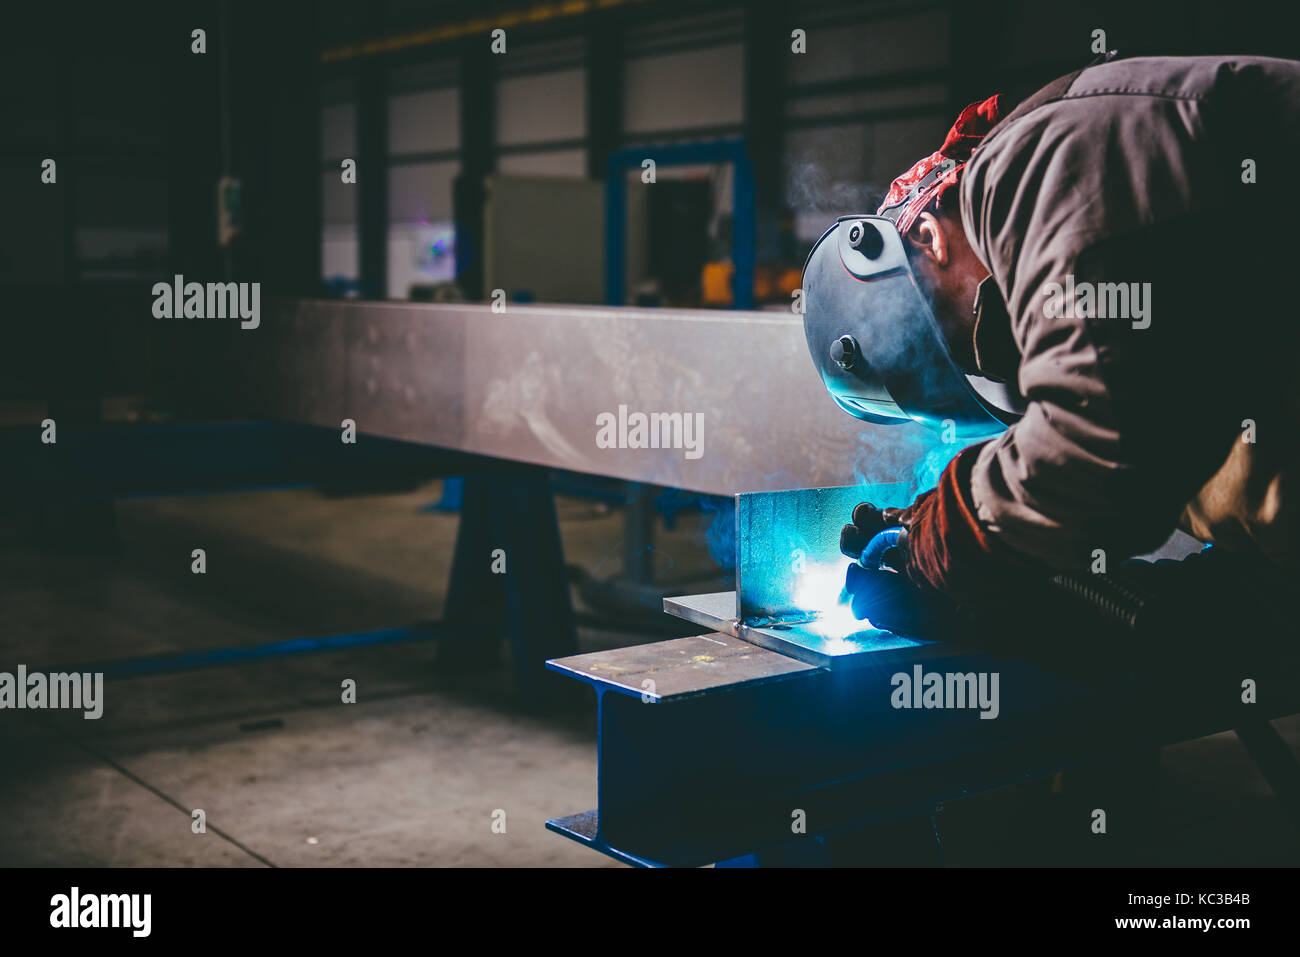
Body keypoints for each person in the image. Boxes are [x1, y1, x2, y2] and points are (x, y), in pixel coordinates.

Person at [831, 55, 1300, 633]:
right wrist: (1015, 607)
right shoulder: (1144, 345)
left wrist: (949, 540)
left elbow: (1094, 437)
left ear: (929, 237)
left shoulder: (1023, 166)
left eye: (951, 345)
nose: (978, 361)